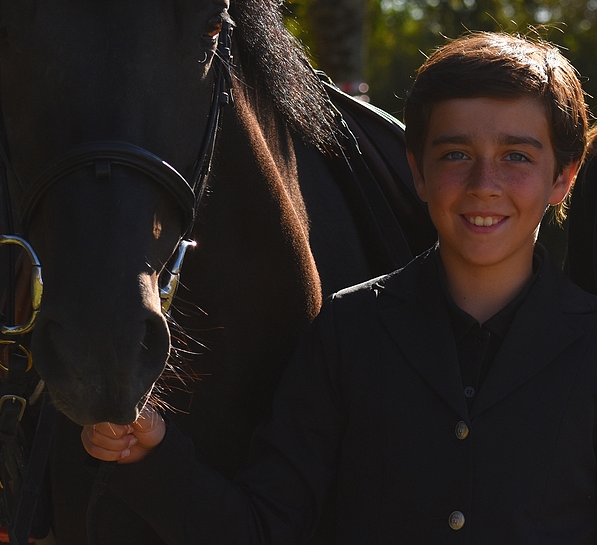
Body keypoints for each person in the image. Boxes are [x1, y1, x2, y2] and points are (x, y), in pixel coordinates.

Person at [81, 32, 597, 544]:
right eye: (456, 154)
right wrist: (148, 455)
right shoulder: (349, 332)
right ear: (416, 171)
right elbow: (266, 530)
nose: (485, 182)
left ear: (564, 178)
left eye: (518, 157)